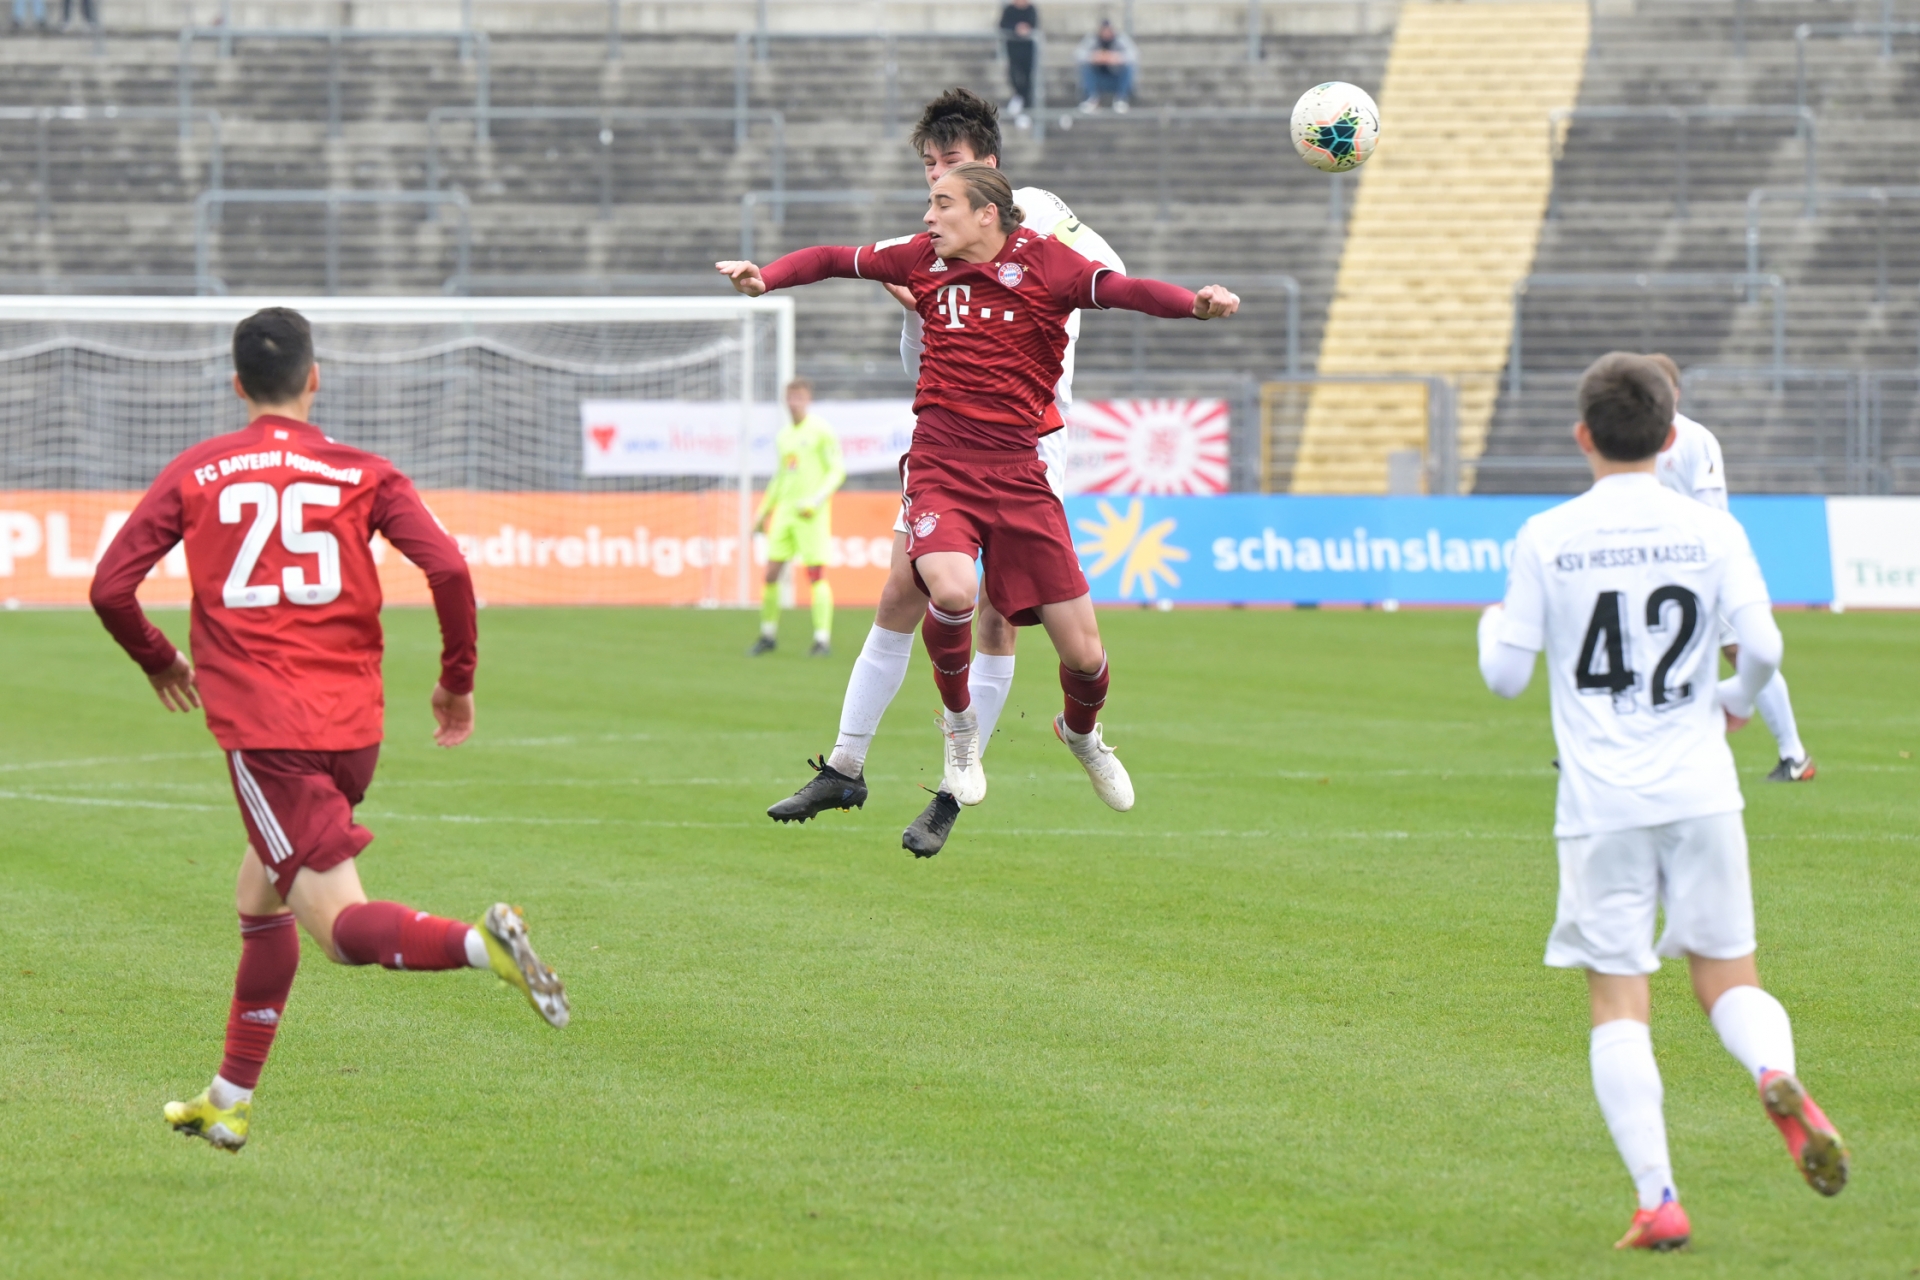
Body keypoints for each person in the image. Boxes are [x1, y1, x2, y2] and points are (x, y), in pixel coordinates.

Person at [89, 307, 568, 1154]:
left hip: (267, 731)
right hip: (352, 731)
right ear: (315, 378)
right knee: (258, 897)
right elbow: (448, 566)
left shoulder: (199, 470)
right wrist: (456, 681)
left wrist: (160, 660)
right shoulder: (363, 471)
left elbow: (110, 586)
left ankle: (480, 944)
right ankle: (229, 1101)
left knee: (341, 929)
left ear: (237, 385)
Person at [718, 165, 1237, 848]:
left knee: (1084, 657)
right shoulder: (921, 258)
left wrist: (1194, 305)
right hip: (941, 464)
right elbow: (834, 258)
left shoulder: (1048, 263)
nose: (928, 217)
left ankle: (1081, 734)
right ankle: (959, 731)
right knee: (953, 590)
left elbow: (1126, 290)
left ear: (987, 213)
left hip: (1021, 474)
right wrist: (768, 276)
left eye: (942, 203)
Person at [1478, 352, 1847, 1251]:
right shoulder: (1711, 532)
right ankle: (1773, 1070)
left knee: (1619, 1002)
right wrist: (1731, 699)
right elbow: (1763, 647)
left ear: (1583, 435)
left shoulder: (1547, 534)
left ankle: (1659, 1200)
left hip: (1601, 801)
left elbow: (1505, 677)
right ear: (1671, 434)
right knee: (1728, 978)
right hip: (1702, 788)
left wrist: (1491, 625)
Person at [759, 87, 1128, 857]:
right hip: (952, 443)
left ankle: (953, 792)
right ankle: (846, 766)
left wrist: (1028, 284)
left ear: (988, 164)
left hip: (1030, 444)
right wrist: (918, 307)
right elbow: (916, 359)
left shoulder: (1033, 212)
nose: (935, 176)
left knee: (996, 616)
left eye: (949, 161)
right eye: (928, 164)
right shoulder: (938, 237)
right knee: (906, 591)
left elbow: (1111, 272)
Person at [1647, 352, 1814, 782]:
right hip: (1658, 571)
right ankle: (1611, 747)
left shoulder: (1694, 439)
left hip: (1700, 567)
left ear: (1676, 393)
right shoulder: (1633, 441)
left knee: (1742, 653)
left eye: (1660, 389)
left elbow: (1712, 509)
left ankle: (1794, 754)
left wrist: (1705, 560)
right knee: (1641, 650)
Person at [750, 377, 846, 657]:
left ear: (808, 399)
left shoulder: (821, 431)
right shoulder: (784, 436)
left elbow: (837, 470)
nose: (794, 403)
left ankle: (822, 639)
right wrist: (763, 512)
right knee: (770, 573)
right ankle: (768, 635)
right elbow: (781, 477)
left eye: (799, 397)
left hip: (810, 515)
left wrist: (816, 500)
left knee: (815, 575)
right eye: (790, 397)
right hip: (785, 513)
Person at [1075, 18, 1137, 113]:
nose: (1106, 33)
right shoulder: (1092, 39)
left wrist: (1116, 57)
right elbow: (1078, 54)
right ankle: (1091, 98)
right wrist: (1094, 57)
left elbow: (1134, 54)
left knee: (1128, 68)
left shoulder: (1120, 39)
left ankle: (1121, 99)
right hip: (1098, 79)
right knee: (1085, 68)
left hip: (1116, 79)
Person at [997, 0, 1039, 121]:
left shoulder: (1031, 10)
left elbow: (1034, 24)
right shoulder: (1009, 10)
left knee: (1028, 80)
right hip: (1014, 50)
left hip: (1028, 51)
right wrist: (1016, 28)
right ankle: (1019, 98)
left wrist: (1026, 29)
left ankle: (1026, 109)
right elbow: (1002, 25)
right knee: (1014, 75)